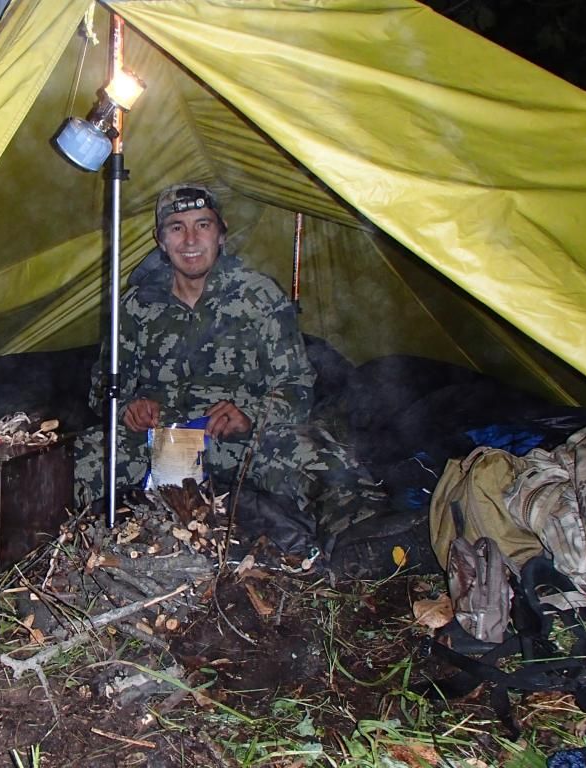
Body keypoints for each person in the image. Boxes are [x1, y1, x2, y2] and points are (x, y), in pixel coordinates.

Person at [74, 183, 385, 557]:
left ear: (222, 233)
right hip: (162, 440)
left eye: (202, 224)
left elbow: (296, 386)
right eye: (176, 227)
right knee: (72, 463)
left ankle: (365, 557)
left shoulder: (259, 296)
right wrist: (128, 407)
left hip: (243, 439)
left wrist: (250, 417)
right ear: (160, 240)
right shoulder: (136, 305)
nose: (190, 239)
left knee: (328, 463)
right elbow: (102, 387)